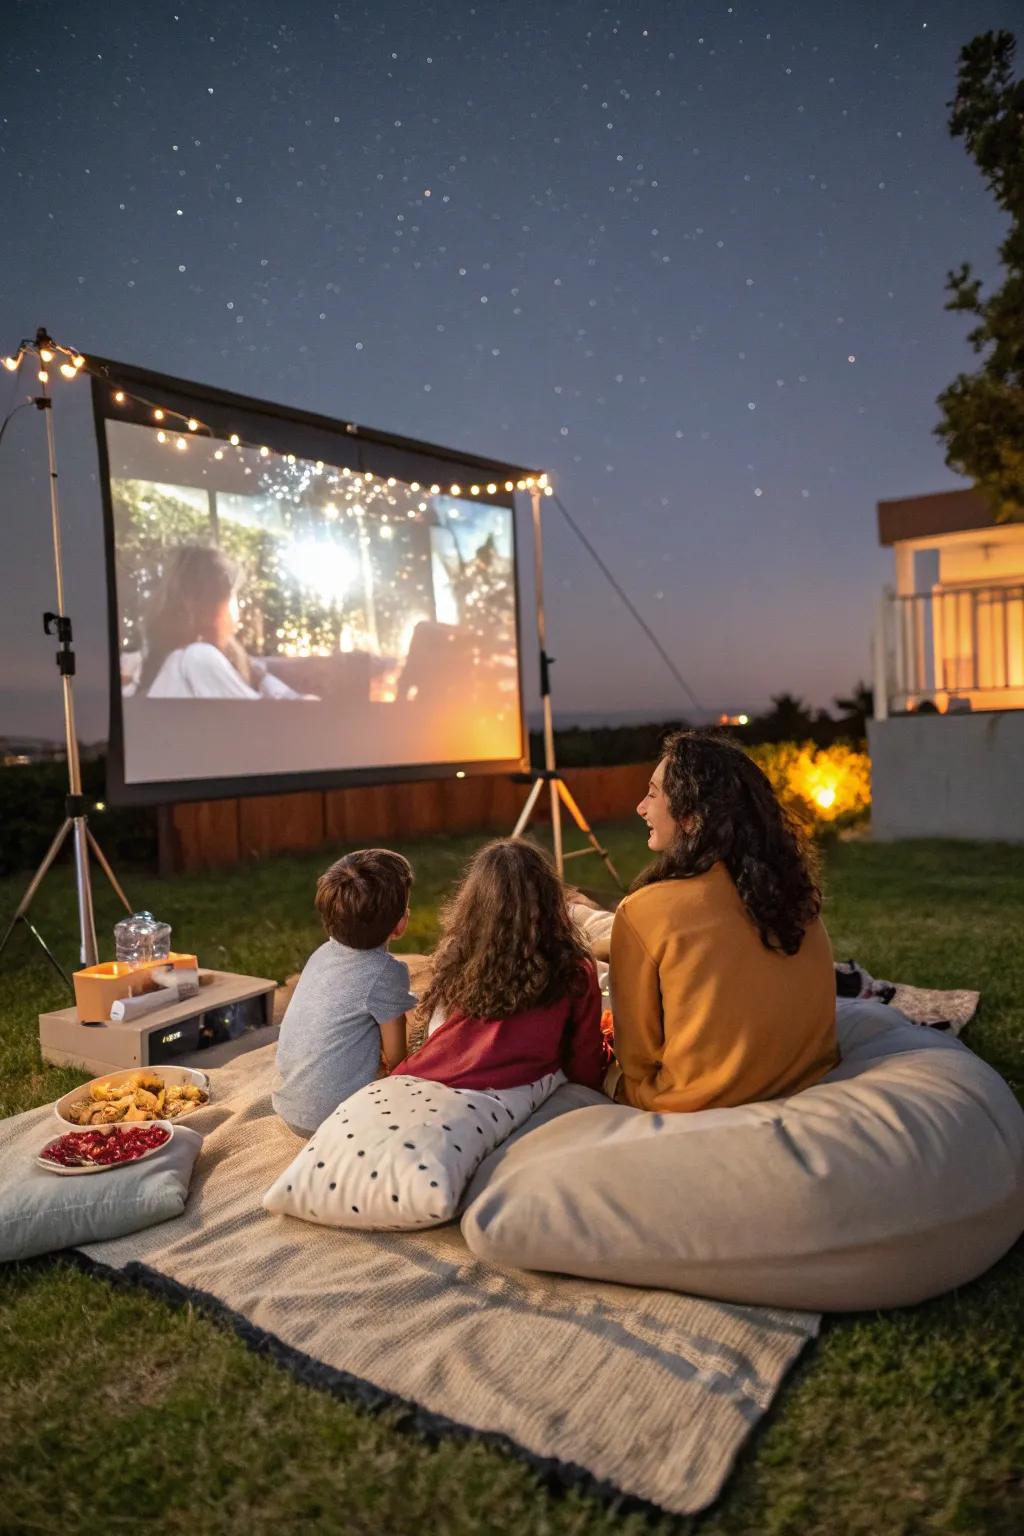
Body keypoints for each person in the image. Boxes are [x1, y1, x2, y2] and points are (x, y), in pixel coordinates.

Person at [608, 729, 838, 1113]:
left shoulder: (641, 913)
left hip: (692, 1099)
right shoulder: (791, 894)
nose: (640, 808)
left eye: (652, 794)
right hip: (806, 1076)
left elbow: (636, 1059)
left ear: (693, 818)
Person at [390, 838, 608, 1091]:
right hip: (497, 1096)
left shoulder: (458, 954)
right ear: (552, 899)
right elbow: (585, 1068)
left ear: (473, 904)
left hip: (419, 1076)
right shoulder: (575, 970)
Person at [272, 850, 419, 1137]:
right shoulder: (386, 974)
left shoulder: (321, 955)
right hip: (333, 1120)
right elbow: (397, 1058)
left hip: (288, 1106)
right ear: (400, 925)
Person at [140, 544, 309, 699]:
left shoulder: (177, 659)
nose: (238, 609)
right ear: (215, 605)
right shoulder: (197, 657)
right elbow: (273, 720)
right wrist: (264, 679)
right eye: (235, 595)